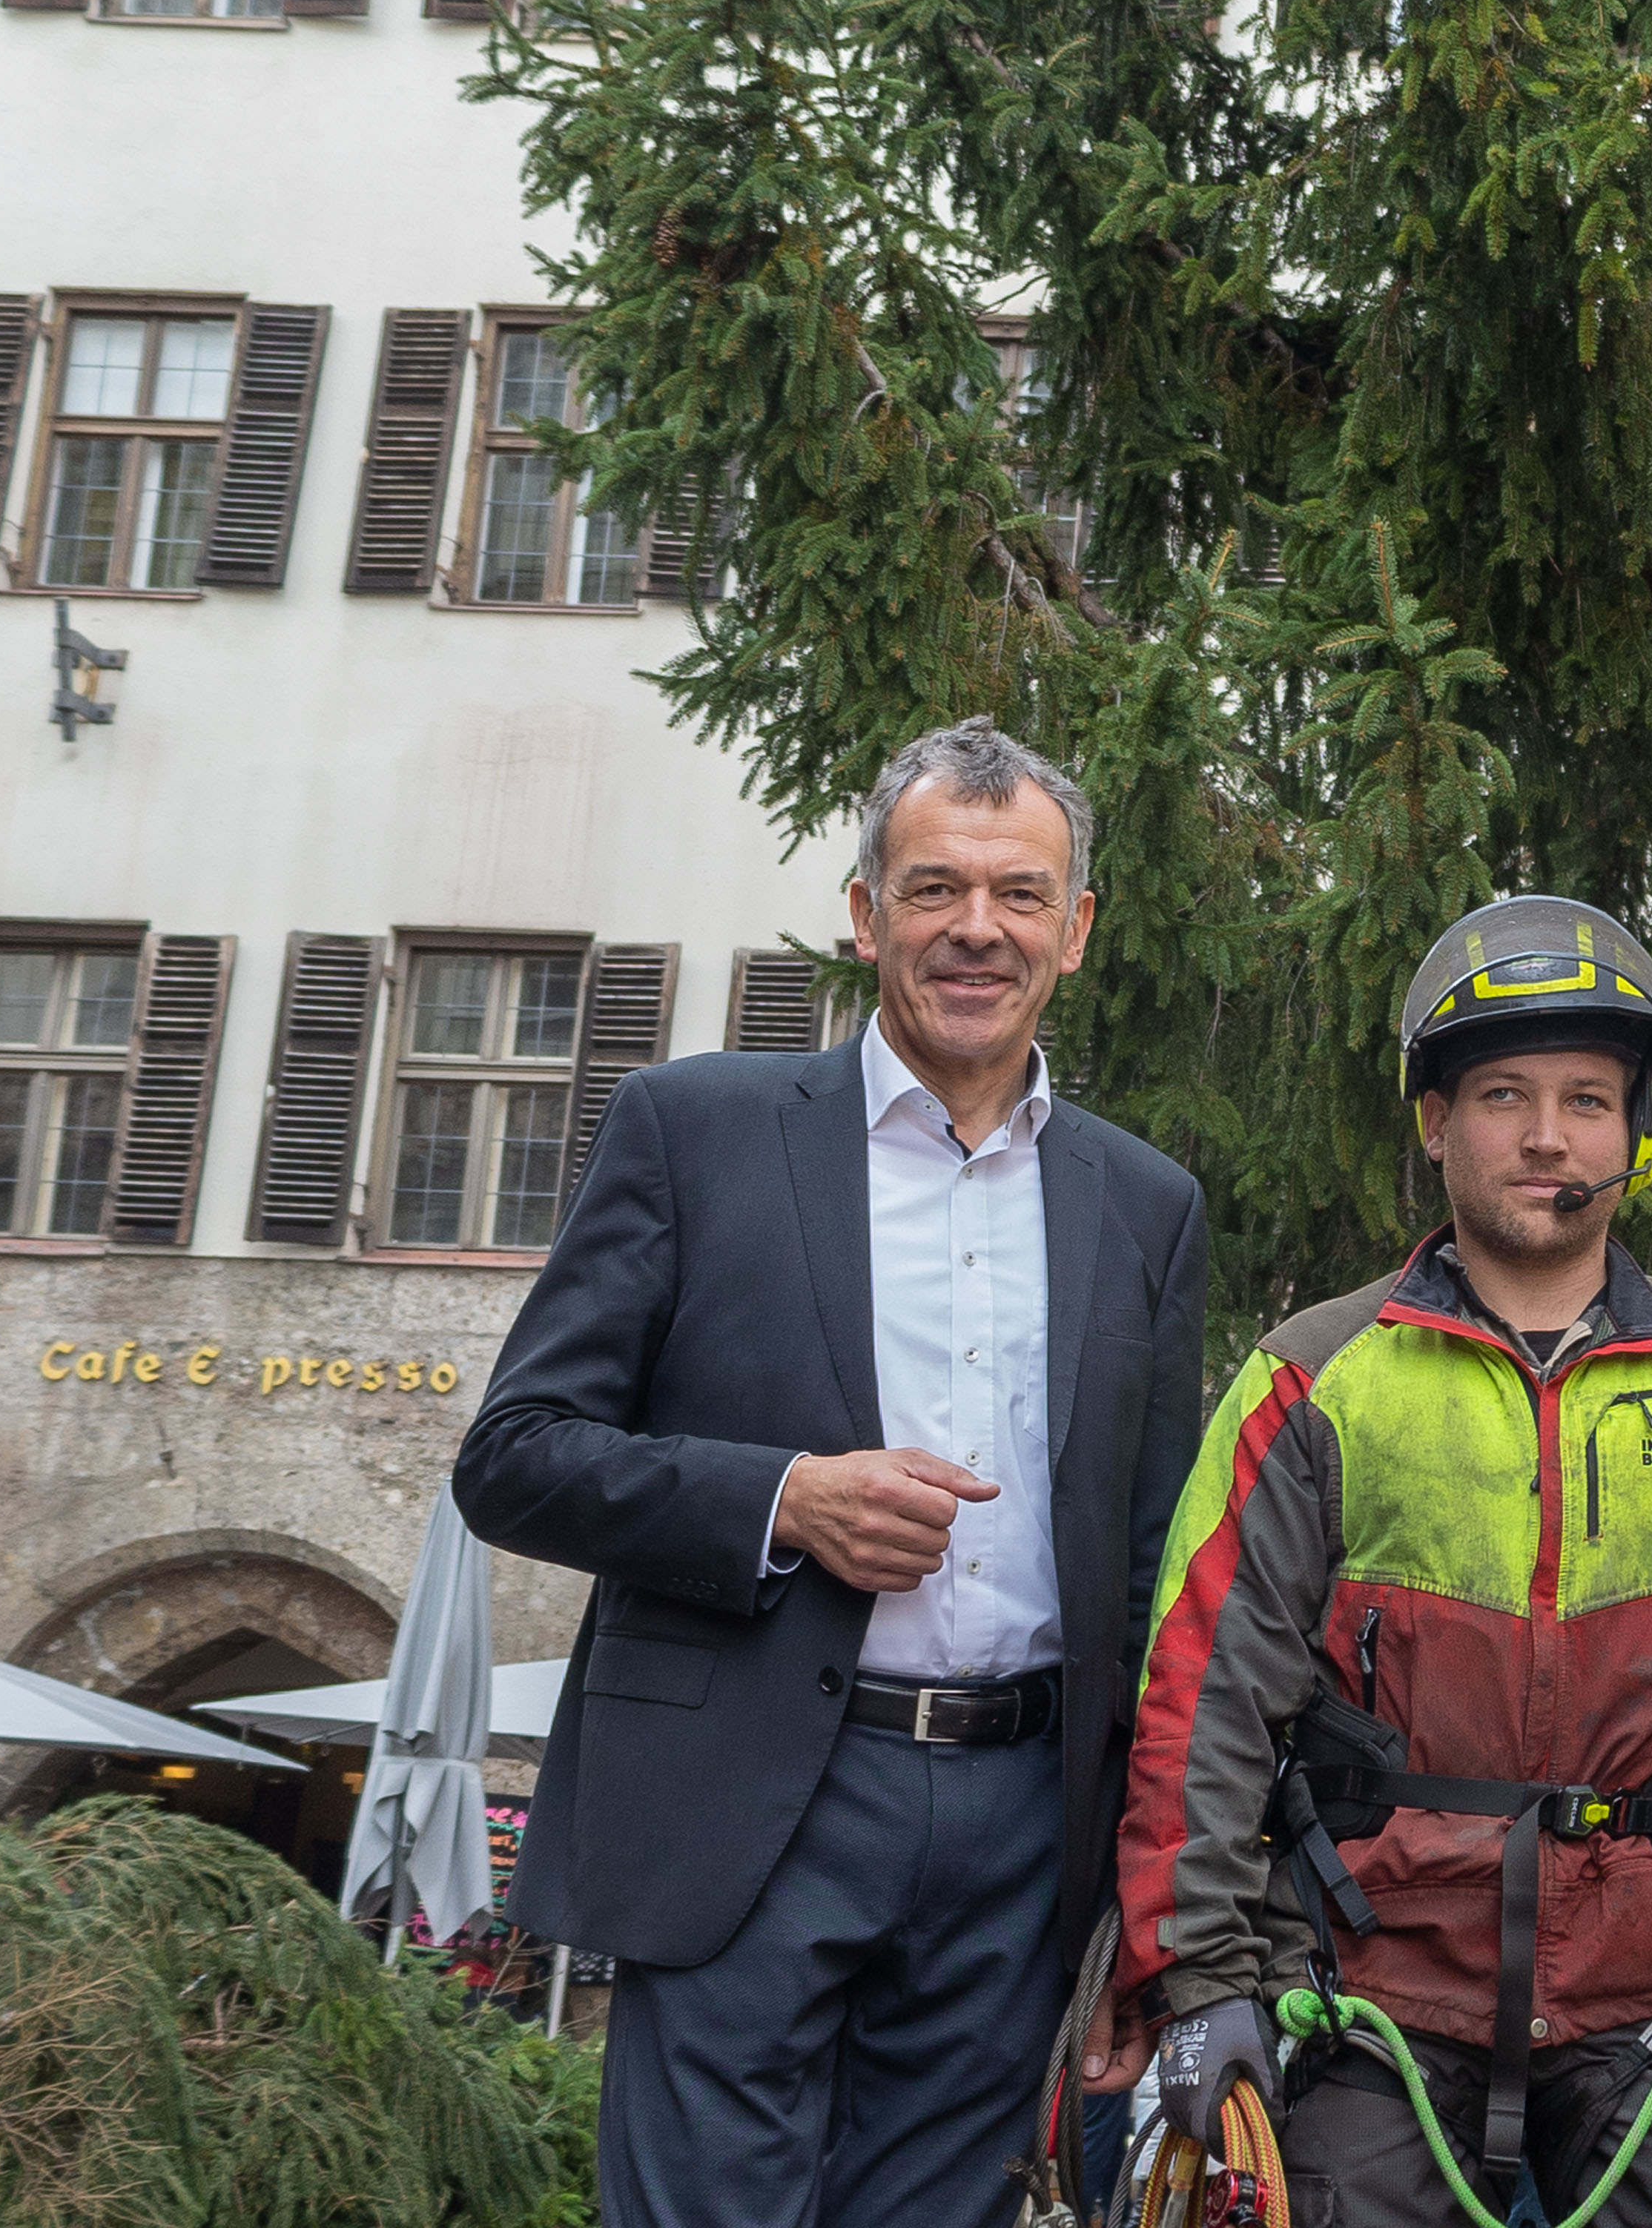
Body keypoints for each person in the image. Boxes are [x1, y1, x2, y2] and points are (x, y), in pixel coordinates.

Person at [456, 718, 1210, 2228]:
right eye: (935, 886)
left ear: (1076, 929)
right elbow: (515, 1460)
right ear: (866, 913)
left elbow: (1150, 1569)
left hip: (1019, 1826)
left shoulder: (1146, 1200)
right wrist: (781, 1498)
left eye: (1017, 893)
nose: (976, 927)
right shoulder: (698, 1130)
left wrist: (1146, 1890)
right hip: (754, 1793)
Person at [1093, 894, 1652, 2228]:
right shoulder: (1310, 1382)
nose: (1548, 1135)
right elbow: (1202, 1706)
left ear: (1640, 1131)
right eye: (1503, 1095)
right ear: (1436, 1122)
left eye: (1588, 1099)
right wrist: (1200, 1988)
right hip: (1370, 1991)